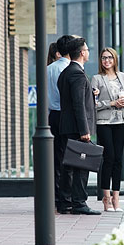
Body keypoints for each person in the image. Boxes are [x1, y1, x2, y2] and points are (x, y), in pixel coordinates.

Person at [57, 36, 99, 215]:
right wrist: (85, 131)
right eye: (87, 49)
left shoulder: (66, 72)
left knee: (68, 167)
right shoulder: (76, 73)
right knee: (81, 166)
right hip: (77, 128)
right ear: (82, 53)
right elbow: (78, 104)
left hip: (68, 126)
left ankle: (66, 202)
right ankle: (79, 203)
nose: (89, 52)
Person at [92, 48, 124, 212]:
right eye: (103, 58)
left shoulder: (123, 76)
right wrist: (111, 103)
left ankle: (116, 198)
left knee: (118, 160)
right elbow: (93, 104)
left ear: (115, 59)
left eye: (109, 58)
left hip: (119, 121)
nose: (106, 61)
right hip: (103, 122)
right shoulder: (96, 79)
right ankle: (105, 197)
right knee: (109, 157)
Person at [46, 36, 75, 214]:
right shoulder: (69, 69)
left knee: (56, 159)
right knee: (69, 158)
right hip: (66, 115)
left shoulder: (48, 68)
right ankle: (67, 198)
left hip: (52, 116)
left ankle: (57, 197)